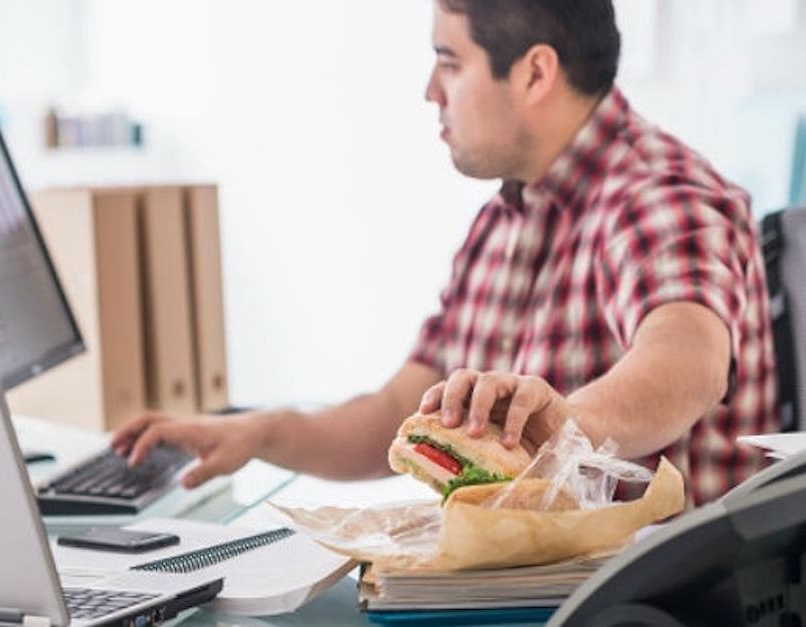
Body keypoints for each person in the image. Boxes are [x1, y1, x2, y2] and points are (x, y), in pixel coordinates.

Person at [113, 0, 777, 506]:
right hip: (532, 586)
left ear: (535, 73)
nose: (431, 90)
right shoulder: (500, 224)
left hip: (651, 601)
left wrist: (566, 423)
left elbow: (688, 361)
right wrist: (262, 432)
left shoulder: (661, 195)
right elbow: (396, 415)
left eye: (450, 62)